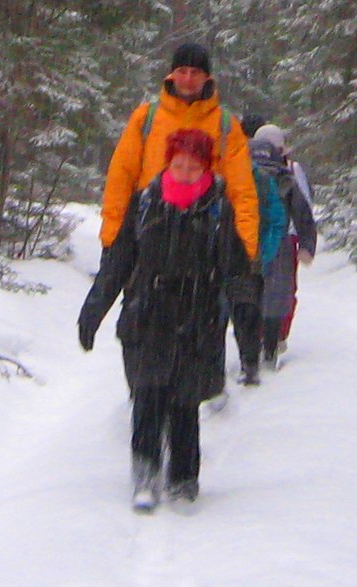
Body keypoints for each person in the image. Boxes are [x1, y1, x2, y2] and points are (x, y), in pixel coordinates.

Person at [78, 126, 258, 510]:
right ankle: (144, 475)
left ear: (207, 167)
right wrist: (94, 308)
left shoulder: (217, 209)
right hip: (149, 314)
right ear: (168, 163)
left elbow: (235, 269)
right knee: (146, 397)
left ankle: (183, 478)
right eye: (179, 164)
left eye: (194, 166)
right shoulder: (145, 203)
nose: (186, 172)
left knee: (184, 403)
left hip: (198, 317)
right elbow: (118, 261)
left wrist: (245, 316)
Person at [100, 41, 259, 264]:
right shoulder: (146, 118)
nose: (187, 78)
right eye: (182, 71)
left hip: (203, 248)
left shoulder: (226, 126)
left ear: (207, 77)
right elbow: (121, 178)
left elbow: (242, 192)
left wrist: (244, 252)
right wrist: (112, 238)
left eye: (195, 72)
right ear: (172, 74)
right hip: (148, 239)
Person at [249, 123, 317, 368]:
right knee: (280, 293)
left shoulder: (243, 170)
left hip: (247, 240)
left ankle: (253, 345)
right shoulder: (288, 172)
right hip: (283, 240)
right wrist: (307, 243)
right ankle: (273, 340)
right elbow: (304, 207)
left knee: (250, 293)